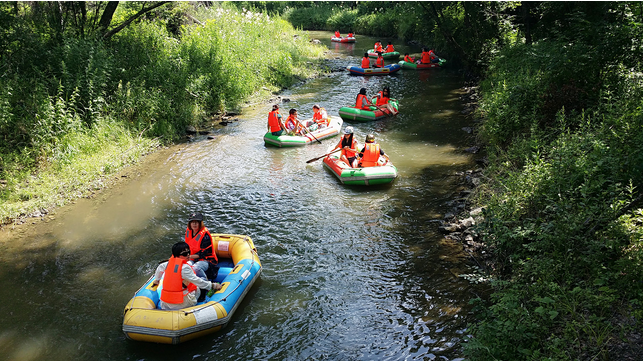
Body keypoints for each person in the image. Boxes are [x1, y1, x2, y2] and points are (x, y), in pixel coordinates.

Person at [152, 241, 222, 310]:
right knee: (200, 284)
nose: (188, 255)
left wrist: (157, 280)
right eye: (185, 254)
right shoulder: (184, 268)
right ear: (177, 255)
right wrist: (213, 285)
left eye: (189, 252)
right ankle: (202, 300)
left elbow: (159, 268)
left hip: (165, 304)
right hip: (181, 304)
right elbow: (197, 281)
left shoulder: (167, 264)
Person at [184, 212, 219, 283]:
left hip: (206, 260)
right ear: (190, 223)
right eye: (192, 222)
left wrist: (188, 256)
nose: (194, 224)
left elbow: (202, 254)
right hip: (193, 257)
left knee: (196, 268)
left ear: (200, 223)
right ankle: (187, 284)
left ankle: (206, 284)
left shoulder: (205, 236)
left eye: (196, 222)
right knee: (185, 266)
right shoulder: (189, 232)